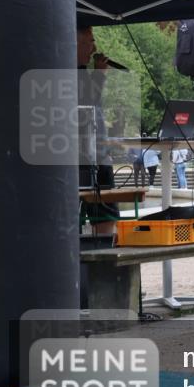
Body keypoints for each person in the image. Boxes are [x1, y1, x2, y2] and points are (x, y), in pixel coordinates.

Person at [76, 26, 118, 234]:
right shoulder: (65, 70)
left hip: (98, 150)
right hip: (81, 154)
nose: (94, 48)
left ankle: (106, 253)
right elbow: (86, 103)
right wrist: (100, 75)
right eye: (90, 42)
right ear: (76, 43)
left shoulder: (82, 71)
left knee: (106, 208)